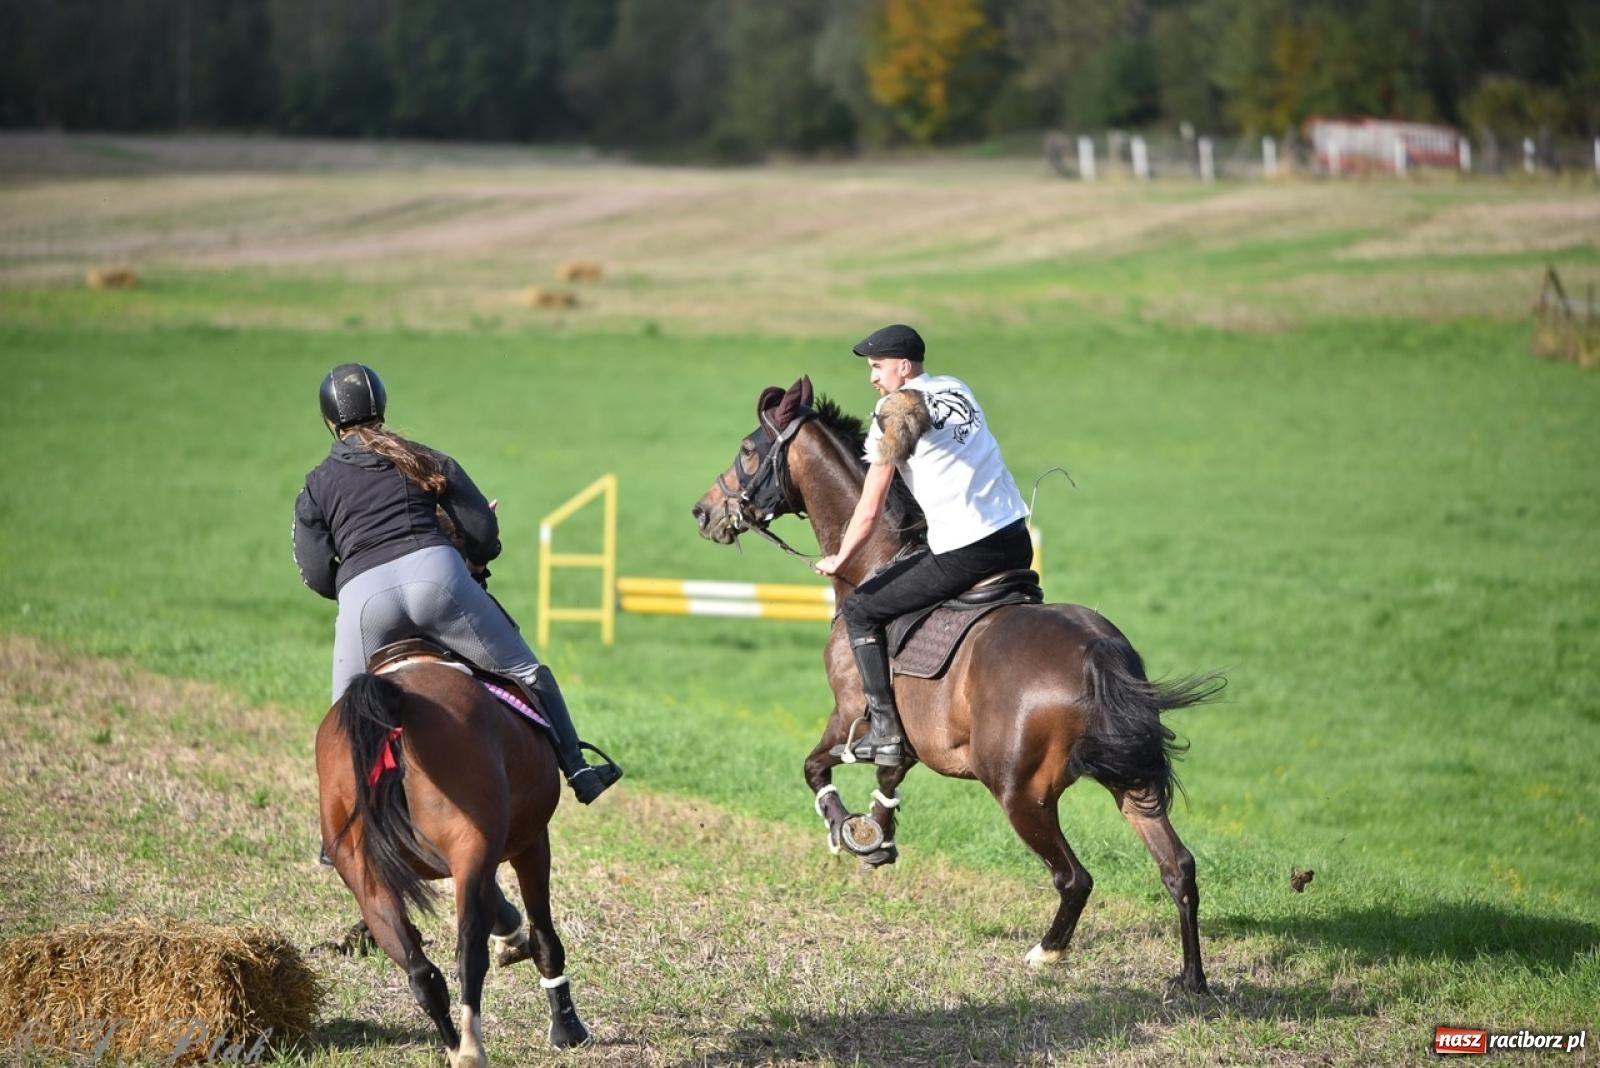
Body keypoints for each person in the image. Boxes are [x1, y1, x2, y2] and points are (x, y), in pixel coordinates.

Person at [293, 362, 622, 803]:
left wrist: (353, 586)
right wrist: (474, 558)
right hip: (437, 579)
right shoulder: (422, 456)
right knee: (525, 670)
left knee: (345, 716)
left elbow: (315, 572)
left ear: (330, 422)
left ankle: (340, 827)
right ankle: (579, 769)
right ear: (382, 406)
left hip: (364, 600)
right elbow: (482, 531)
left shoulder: (315, 485)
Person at [812, 325, 1033, 766]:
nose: (873, 378)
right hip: (1014, 538)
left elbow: (871, 507)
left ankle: (887, 733)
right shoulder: (957, 389)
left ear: (903, 366)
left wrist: (841, 557)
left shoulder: (893, 414)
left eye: (877, 367)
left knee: (860, 610)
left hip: (966, 550)